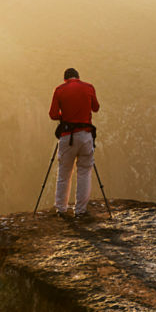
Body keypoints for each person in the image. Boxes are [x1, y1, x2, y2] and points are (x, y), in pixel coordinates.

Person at [48, 68, 100, 217]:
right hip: (85, 135)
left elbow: (52, 114)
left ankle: (61, 208)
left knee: (64, 173)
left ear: (65, 79)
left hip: (67, 136)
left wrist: (64, 115)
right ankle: (80, 210)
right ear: (78, 77)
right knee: (84, 171)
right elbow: (96, 108)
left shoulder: (59, 90)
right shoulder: (88, 87)